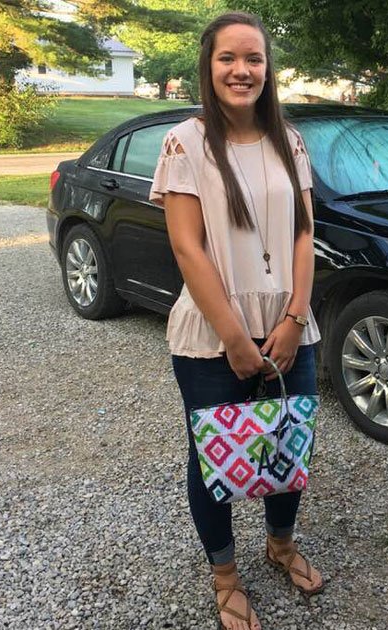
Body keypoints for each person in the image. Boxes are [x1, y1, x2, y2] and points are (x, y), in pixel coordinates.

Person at [150, 12, 324, 630]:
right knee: (211, 461)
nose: (242, 70)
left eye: (253, 59)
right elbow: (187, 250)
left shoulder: (290, 141)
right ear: (209, 65)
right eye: (228, 58)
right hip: (211, 335)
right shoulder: (185, 143)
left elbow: (305, 235)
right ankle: (225, 576)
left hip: (288, 324)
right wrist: (234, 339)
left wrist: (296, 318)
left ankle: (280, 545)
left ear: (268, 69)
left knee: (287, 442)